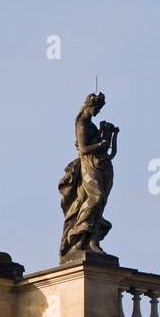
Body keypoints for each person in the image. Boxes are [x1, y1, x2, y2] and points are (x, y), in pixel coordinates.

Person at [58, 92, 119, 258]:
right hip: (88, 166)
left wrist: (109, 136)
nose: (98, 112)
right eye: (97, 108)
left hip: (100, 166)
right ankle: (76, 234)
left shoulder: (91, 124)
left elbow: (104, 150)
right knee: (96, 197)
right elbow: (84, 149)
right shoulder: (83, 123)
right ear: (89, 105)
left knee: (100, 203)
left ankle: (91, 240)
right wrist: (101, 143)